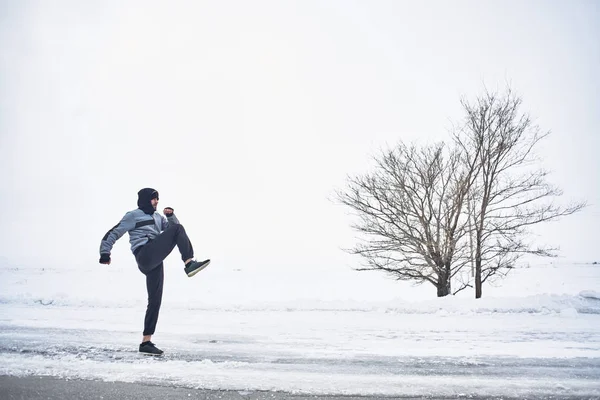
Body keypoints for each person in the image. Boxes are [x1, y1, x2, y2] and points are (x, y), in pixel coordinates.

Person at [99, 188, 210, 356]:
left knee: (155, 300)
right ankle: (189, 263)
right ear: (145, 200)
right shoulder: (133, 215)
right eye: (153, 199)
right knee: (178, 229)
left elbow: (174, 230)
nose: (157, 201)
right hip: (144, 254)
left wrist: (170, 216)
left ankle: (146, 342)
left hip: (155, 260)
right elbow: (113, 233)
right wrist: (105, 252)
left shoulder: (158, 217)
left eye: (157, 198)